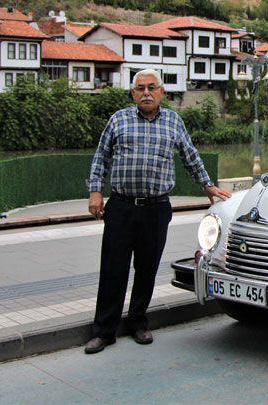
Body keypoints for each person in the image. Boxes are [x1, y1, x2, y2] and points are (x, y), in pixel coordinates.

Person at [83, 69, 231, 354]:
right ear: (133, 93)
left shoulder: (173, 121)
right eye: (140, 88)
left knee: (147, 269)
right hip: (122, 206)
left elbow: (190, 155)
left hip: (157, 208)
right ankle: (104, 331)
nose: (146, 93)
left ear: (162, 92)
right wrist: (95, 191)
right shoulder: (119, 119)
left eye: (152, 88)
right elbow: (101, 156)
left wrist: (208, 186)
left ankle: (138, 323)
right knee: (113, 270)